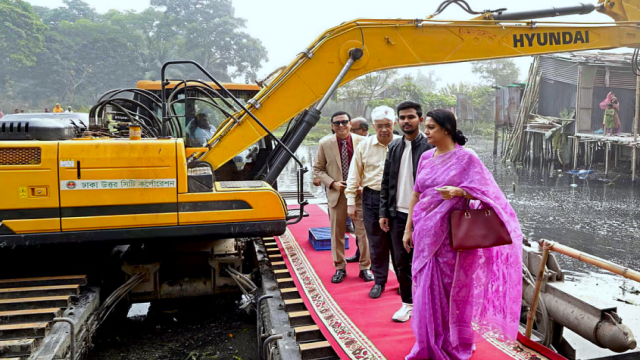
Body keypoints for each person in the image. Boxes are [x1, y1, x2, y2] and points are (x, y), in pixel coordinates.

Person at [403, 109, 522, 360]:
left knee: (452, 290)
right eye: (426, 127)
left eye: (431, 127)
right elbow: (416, 194)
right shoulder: (425, 157)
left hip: (453, 238)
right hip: (425, 233)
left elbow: (490, 194)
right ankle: (428, 341)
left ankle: (452, 342)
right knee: (425, 287)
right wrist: (408, 228)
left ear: (447, 129)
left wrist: (459, 192)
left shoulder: (466, 158)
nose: (426, 132)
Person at [379, 101, 433, 322]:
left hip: (424, 214)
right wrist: (384, 211)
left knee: (427, 260)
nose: (405, 121)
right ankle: (407, 303)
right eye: (402, 118)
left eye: (410, 117)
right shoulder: (394, 146)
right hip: (397, 213)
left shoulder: (430, 147)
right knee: (401, 261)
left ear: (420, 120)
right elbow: (386, 182)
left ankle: (428, 304)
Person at [346, 105, 401, 299]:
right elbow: (354, 174)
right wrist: (351, 201)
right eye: (380, 126)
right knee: (376, 243)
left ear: (394, 124)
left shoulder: (403, 144)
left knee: (399, 243)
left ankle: (404, 282)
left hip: (397, 199)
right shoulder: (365, 146)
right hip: (372, 198)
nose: (384, 129)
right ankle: (379, 281)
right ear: (373, 126)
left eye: (387, 125)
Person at [313, 111, 372, 284]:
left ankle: (365, 268)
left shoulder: (363, 142)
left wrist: (363, 185)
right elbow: (318, 169)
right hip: (336, 194)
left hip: (359, 194)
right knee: (337, 232)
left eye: (344, 122)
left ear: (350, 123)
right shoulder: (325, 143)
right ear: (332, 126)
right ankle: (340, 267)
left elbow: (372, 167)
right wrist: (332, 183)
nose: (341, 126)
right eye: (337, 123)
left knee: (363, 233)